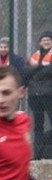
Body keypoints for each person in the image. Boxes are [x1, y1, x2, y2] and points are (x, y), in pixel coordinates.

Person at [25, 31, 52, 160]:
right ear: (40, 42)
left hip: (49, 95)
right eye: (44, 40)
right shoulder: (34, 56)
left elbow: (47, 72)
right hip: (34, 96)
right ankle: (38, 154)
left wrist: (36, 70)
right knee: (38, 126)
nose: (46, 42)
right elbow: (26, 71)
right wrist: (39, 69)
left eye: (48, 39)